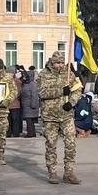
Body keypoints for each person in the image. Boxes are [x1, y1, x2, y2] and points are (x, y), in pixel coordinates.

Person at [37, 51, 81, 184]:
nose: (60, 65)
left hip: (66, 115)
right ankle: (52, 172)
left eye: (62, 63)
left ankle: (69, 172)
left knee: (70, 143)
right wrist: (60, 91)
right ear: (52, 62)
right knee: (51, 144)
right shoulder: (43, 75)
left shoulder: (69, 74)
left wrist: (71, 102)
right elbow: (41, 92)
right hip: (50, 116)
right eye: (57, 63)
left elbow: (78, 89)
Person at [20, 66, 41, 138]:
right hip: (27, 105)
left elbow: (34, 95)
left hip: (30, 106)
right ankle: (32, 133)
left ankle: (30, 133)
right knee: (29, 120)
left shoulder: (32, 84)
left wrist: (33, 105)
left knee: (29, 120)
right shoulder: (26, 84)